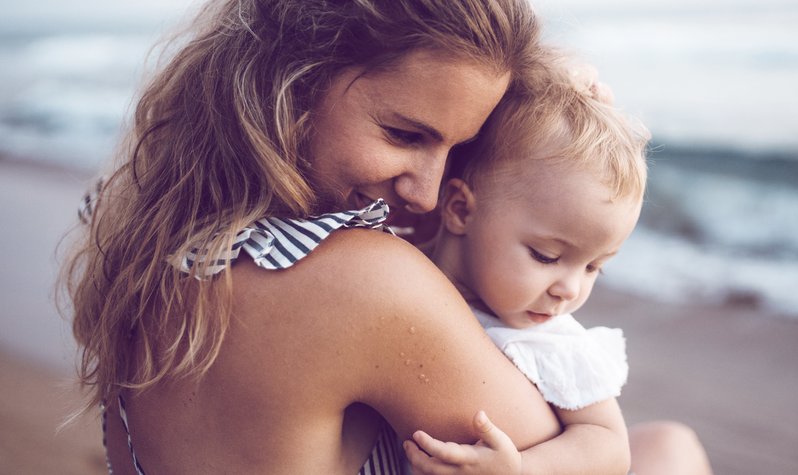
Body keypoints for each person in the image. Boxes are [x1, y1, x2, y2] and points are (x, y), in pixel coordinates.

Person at [62, 0, 711, 473]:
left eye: (459, 148)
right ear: (296, 78)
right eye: (405, 134)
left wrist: (540, 114)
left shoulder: (172, 249)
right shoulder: (362, 282)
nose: (429, 194)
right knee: (671, 453)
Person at [404, 60, 712, 475]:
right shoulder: (402, 263)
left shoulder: (550, 343)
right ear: (460, 210)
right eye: (547, 256)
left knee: (672, 444)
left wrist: (522, 469)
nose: (570, 290)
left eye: (593, 268)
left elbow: (607, 445)